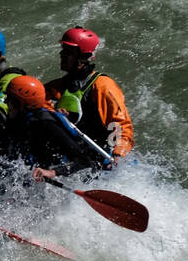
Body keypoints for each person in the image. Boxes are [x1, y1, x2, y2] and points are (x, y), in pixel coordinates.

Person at [44, 28, 134, 162]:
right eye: (63, 49)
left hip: (98, 155)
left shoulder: (103, 86)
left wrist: (117, 154)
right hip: (71, 154)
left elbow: (119, 124)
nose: (62, 54)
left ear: (83, 57)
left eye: (68, 51)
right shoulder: (55, 87)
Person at [3, 75, 100, 182]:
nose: (5, 102)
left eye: (9, 99)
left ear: (21, 103)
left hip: (73, 175)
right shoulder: (16, 121)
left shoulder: (47, 123)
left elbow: (84, 161)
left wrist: (53, 172)